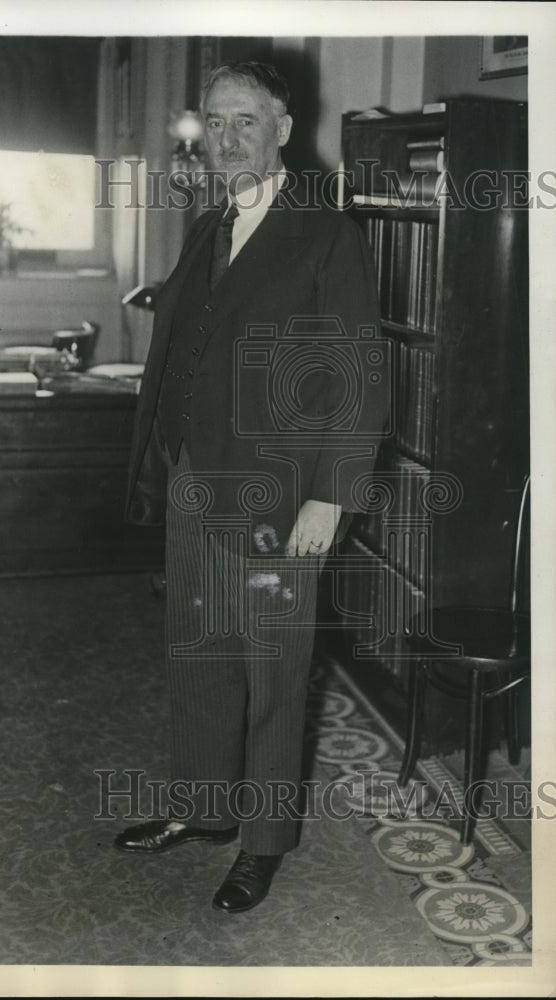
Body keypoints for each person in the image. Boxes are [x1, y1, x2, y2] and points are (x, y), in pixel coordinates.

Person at [116, 62, 388, 913]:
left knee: (273, 670)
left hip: (281, 495)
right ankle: (203, 810)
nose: (227, 139)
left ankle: (263, 843)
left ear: (282, 128)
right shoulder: (209, 222)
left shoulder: (326, 232)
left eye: (245, 122)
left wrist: (332, 494)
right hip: (197, 476)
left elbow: (358, 371)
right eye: (215, 123)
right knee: (200, 653)